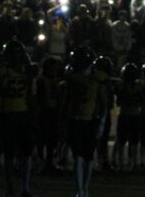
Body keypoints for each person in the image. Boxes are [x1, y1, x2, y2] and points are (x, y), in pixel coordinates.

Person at [60, 46, 107, 197]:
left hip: (89, 120)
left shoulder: (96, 78)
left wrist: (100, 123)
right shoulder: (73, 78)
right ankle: (80, 189)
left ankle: (84, 188)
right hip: (76, 119)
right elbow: (66, 101)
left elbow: (103, 104)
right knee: (79, 157)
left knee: (87, 157)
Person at [0, 39, 36, 197]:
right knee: (14, 154)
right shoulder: (12, 70)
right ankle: (18, 188)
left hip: (13, 114)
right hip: (13, 114)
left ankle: (18, 188)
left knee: (21, 154)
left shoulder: (7, 70)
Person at [114, 62, 142, 171]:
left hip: (127, 115)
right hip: (132, 115)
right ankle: (132, 162)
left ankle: (124, 162)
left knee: (124, 141)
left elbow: (120, 102)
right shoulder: (137, 86)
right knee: (131, 142)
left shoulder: (122, 86)